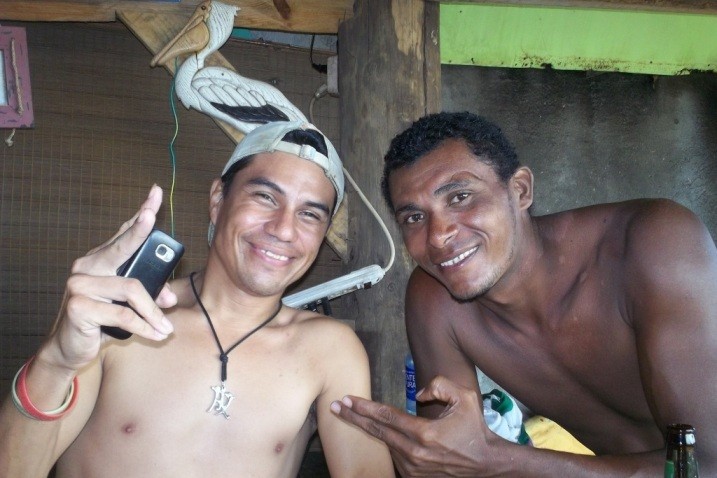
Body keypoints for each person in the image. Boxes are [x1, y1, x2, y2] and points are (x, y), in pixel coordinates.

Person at [330, 111, 717, 476]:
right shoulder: (435, 298)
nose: (438, 236)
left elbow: (707, 465)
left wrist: (499, 460)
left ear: (520, 190)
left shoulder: (653, 245)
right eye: (414, 217)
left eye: (460, 197)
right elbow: (452, 462)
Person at [0, 120, 395, 478]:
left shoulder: (330, 351)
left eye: (310, 215)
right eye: (265, 197)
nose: (284, 230)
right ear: (217, 199)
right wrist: (56, 362)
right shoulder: (123, 314)